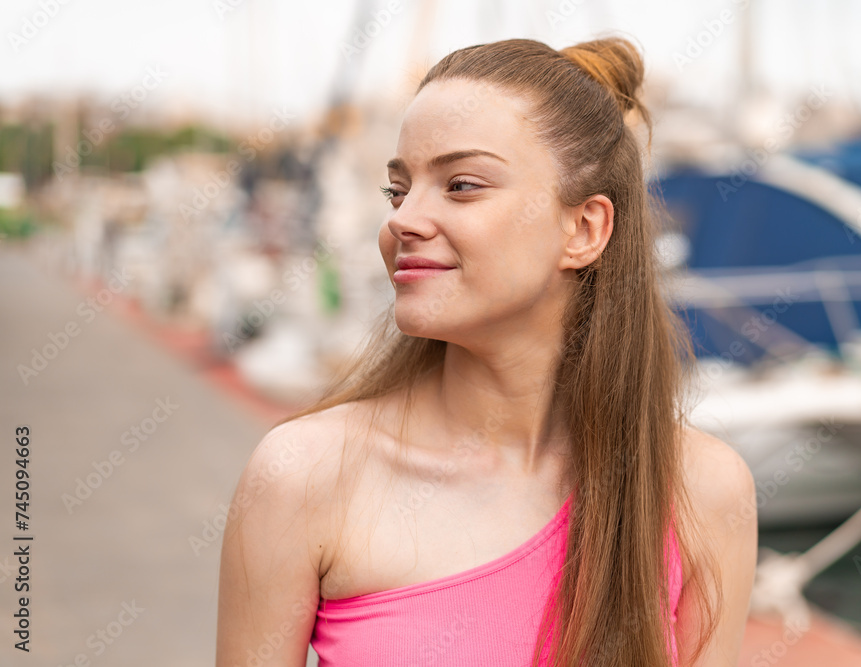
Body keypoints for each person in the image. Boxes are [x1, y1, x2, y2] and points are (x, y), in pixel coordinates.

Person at [216, 34, 757, 667]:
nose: (403, 220)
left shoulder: (702, 492)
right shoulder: (302, 477)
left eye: (462, 185)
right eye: (398, 190)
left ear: (584, 229)